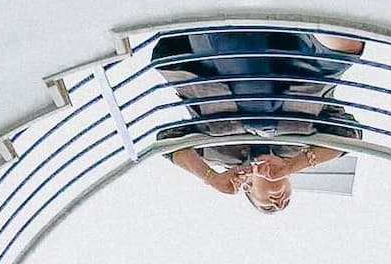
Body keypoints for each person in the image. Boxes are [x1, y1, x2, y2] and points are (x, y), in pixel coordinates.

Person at [153, 27, 365, 212]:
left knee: (259, 117)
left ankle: (232, 18)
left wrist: (211, 177)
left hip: (212, 64)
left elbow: (167, 141)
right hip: (302, 65)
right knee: (347, 46)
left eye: (267, 206)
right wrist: (293, 165)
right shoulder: (303, 151)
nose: (279, 203)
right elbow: (350, 135)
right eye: (286, 201)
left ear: (247, 187)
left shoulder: (213, 153)